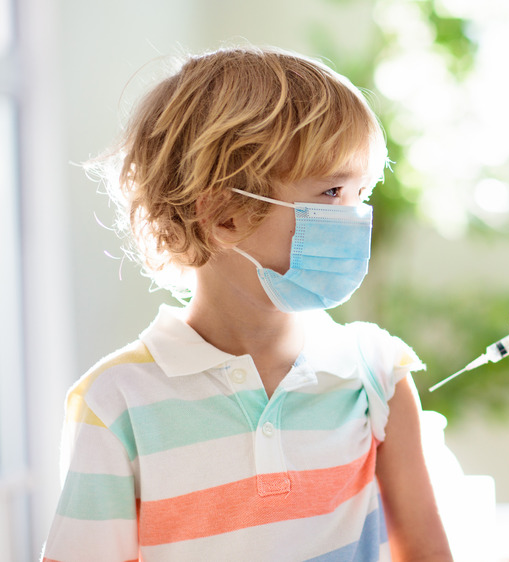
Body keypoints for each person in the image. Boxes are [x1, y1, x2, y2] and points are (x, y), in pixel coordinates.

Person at [42, 46, 452, 561]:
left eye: (360, 193)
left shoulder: (377, 376)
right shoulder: (116, 403)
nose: (356, 219)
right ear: (226, 216)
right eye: (331, 193)